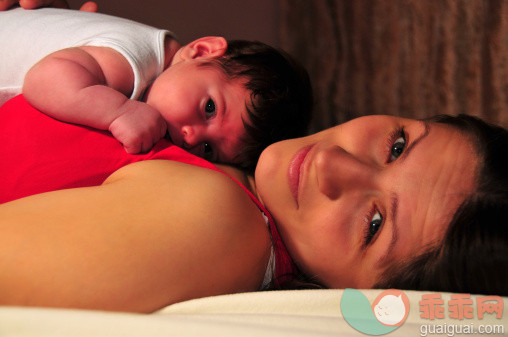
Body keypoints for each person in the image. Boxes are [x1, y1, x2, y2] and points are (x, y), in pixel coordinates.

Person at [0, 92, 506, 312]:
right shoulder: (227, 159)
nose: (331, 164)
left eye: (374, 224)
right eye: (397, 146)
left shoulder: (219, 227)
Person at [0, 6, 312, 171]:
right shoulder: (132, 62)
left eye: (208, 149)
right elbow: (44, 79)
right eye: (210, 109)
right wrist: (117, 113)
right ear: (202, 51)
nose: (191, 136)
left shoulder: (155, 61)